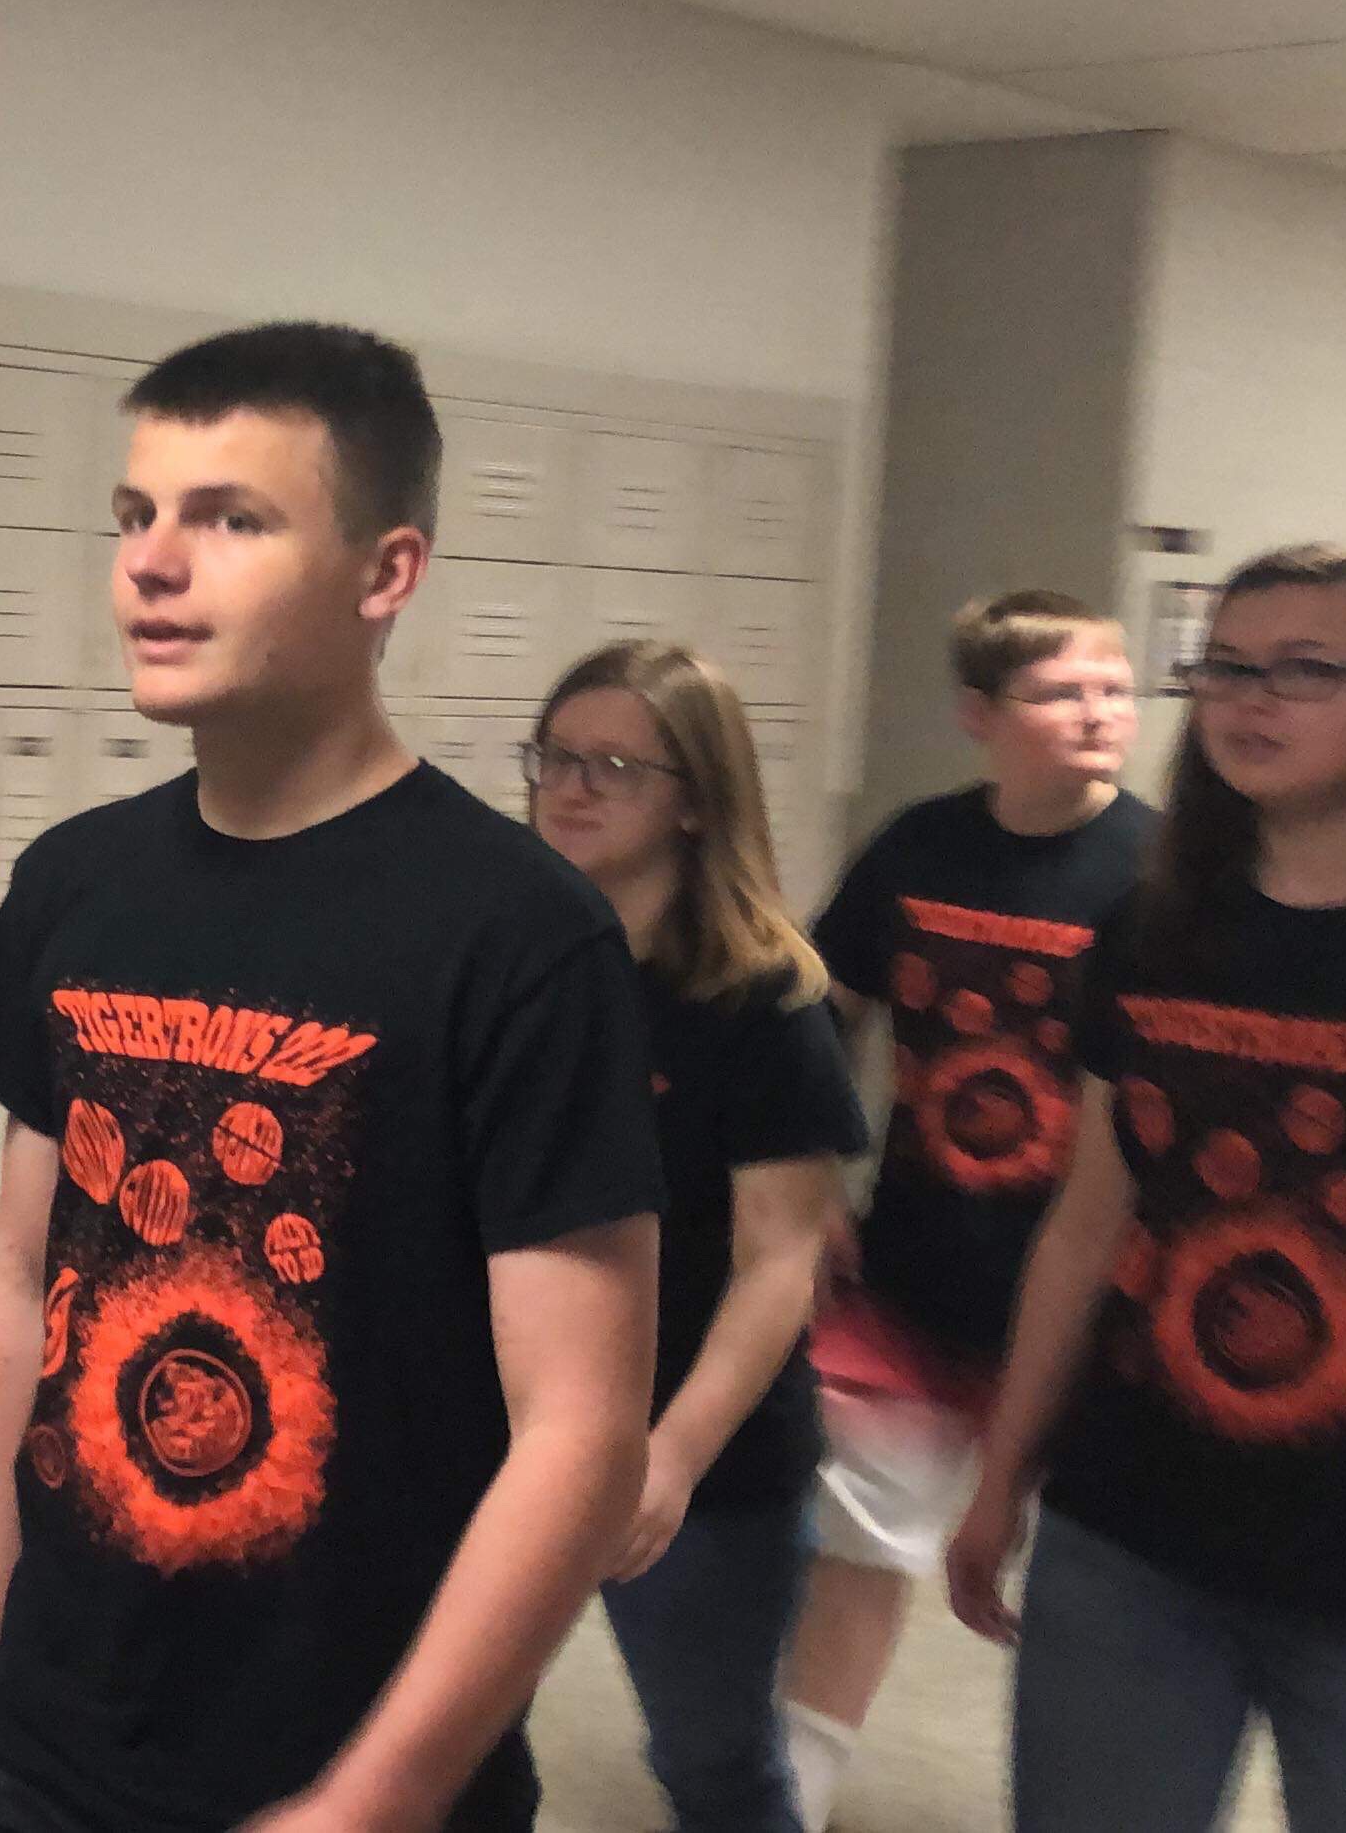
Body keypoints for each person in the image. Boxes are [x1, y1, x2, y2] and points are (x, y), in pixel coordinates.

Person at [0, 321, 663, 1832]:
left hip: (341, 1769)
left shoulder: (520, 936)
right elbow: (18, 1280)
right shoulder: (74, 884)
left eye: (230, 520)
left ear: (386, 572)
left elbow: (583, 1432)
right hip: (44, 1743)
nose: (150, 564)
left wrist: (376, 1799)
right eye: (134, 514)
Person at [947, 543, 1346, 1832]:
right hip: (1132, 1533)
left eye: (1306, 669)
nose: (1252, 700)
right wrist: (1000, 1474)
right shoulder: (1156, 927)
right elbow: (1089, 1224)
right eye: (1227, 668)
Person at [778, 590, 1155, 1827]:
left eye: (1113, 688)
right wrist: (812, 1180)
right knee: (857, 1553)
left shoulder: (1160, 875)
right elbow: (820, 1016)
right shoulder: (917, 848)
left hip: (1098, 1313)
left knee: (1090, 1601)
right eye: (1059, 692)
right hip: (911, 1277)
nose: (1098, 713)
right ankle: (792, 1798)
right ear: (979, 715)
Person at [526, 644, 868, 1833]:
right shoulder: (514, 970)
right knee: (443, 1736)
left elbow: (779, 1262)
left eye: (615, 766)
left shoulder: (759, 998)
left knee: (711, 1764)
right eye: (556, 758)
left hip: (698, 1452)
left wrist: (667, 1459)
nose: (573, 787)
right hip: (509, 1430)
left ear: (693, 799)